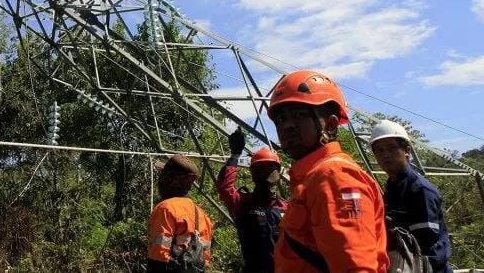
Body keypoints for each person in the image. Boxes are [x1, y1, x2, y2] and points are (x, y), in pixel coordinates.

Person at [268, 70, 388, 272]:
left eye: (299, 115)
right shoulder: (311, 179)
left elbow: (355, 267)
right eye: (280, 118)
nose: (287, 125)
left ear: (330, 124)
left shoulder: (334, 176)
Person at [369, 119, 452, 273]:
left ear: (406, 151)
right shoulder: (393, 187)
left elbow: (429, 247)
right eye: (379, 150)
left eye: (391, 148)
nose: (385, 155)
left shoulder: (420, 190)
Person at [217, 129, 287, 272]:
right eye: (260, 168)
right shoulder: (244, 203)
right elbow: (225, 187)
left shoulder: (286, 207)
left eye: (270, 167)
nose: (266, 171)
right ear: (253, 173)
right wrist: (235, 155)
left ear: (278, 172)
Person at [147, 154, 213, 272]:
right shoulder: (202, 214)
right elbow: (205, 260)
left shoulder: (166, 208)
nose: (160, 180)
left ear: (173, 180)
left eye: (163, 175)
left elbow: (157, 258)